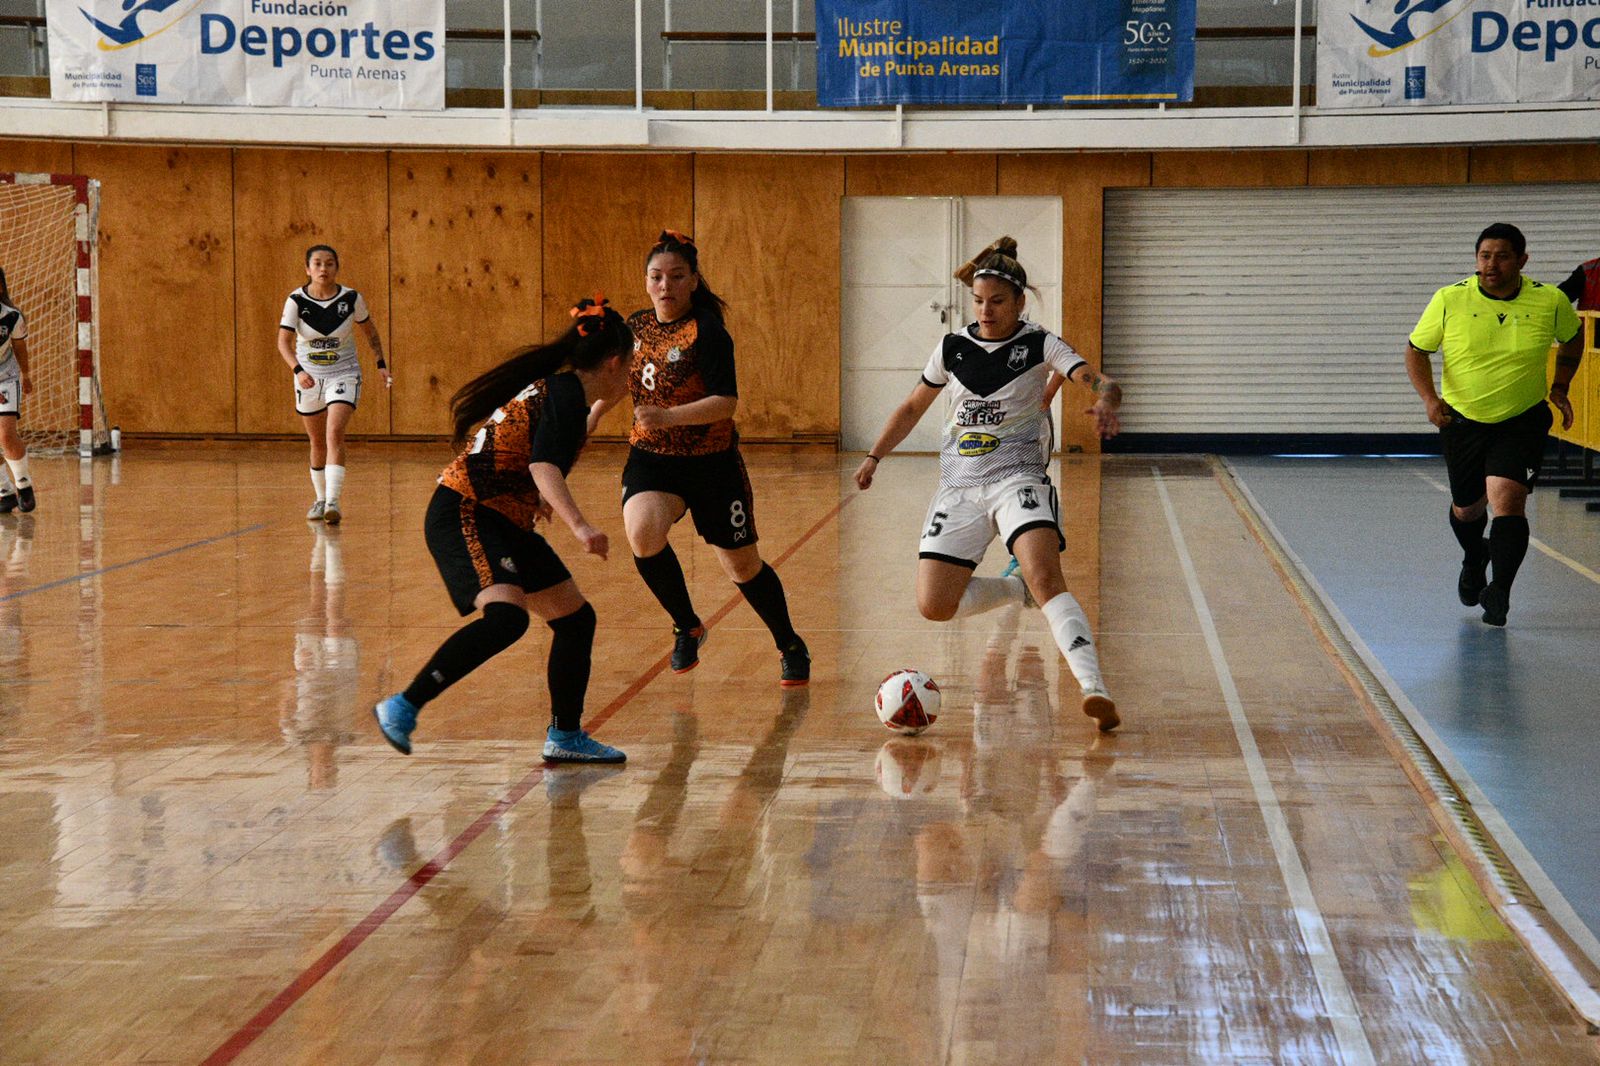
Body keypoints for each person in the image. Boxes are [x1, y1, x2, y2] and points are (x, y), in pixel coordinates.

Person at [854, 236, 1124, 732]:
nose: (985, 310)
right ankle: (1008, 589)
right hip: (958, 486)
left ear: (1020, 303)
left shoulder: (1041, 342)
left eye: (997, 301)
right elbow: (913, 406)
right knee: (935, 606)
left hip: (1017, 477)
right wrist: (875, 456)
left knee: (1046, 577)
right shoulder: (952, 347)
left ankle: (1094, 689)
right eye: (978, 301)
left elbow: (1097, 378)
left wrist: (1107, 397)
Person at [373, 296, 631, 763]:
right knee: (506, 619)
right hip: (466, 511)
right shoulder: (564, 395)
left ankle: (566, 737)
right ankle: (403, 705)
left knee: (575, 621)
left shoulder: (564, 391)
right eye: (630, 367)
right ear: (615, 363)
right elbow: (544, 465)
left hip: (503, 517)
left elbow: (548, 449)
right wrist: (580, 525)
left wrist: (600, 412)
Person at [587, 229, 809, 685]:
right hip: (653, 459)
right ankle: (686, 623)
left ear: (692, 281)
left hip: (711, 465)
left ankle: (789, 643)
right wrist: (589, 417)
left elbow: (726, 403)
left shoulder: (708, 332)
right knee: (642, 532)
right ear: (646, 281)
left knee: (741, 566)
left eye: (675, 276)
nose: (665, 285)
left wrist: (667, 416)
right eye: (656, 277)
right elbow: (620, 383)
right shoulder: (635, 327)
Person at [1405, 222, 1583, 627]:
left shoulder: (1550, 301)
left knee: (1507, 500)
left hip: (1521, 419)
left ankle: (1499, 591)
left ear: (1522, 260)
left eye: (1502, 256)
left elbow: (1573, 336)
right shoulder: (1450, 299)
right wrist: (1430, 400)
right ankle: (1474, 557)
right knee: (1467, 510)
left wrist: (1560, 386)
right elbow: (1417, 350)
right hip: (1462, 420)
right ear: (1476, 260)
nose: (1492, 264)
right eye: (1485, 256)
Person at [278, 244, 390, 525]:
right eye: (317, 263)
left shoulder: (351, 299)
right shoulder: (296, 300)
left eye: (329, 263)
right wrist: (298, 370)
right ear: (307, 269)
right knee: (316, 441)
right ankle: (319, 498)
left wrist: (380, 363)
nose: (323, 269)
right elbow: (283, 342)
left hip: (344, 373)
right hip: (309, 377)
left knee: (334, 432)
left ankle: (333, 502)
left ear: (336, 268)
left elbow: (370, 332)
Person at [0, 268, 37, 514]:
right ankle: (4, 491)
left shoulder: (11, 316)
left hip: (6, 376)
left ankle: (23, 485)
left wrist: (26, 374)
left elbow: (20, 348)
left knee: (5, 434)